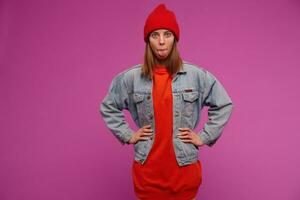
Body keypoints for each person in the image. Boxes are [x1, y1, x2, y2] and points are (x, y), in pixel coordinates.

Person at [100, 3, 233, 200]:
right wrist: (128, 135)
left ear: (175, 39)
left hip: (185, 173)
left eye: (167, 34)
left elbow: (224, 104)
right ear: (148, 41)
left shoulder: (196, 76)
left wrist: (204, 137)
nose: (161, 41)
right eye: (155, 35)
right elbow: (108, 107)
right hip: (147, 175)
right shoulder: (131, 78)